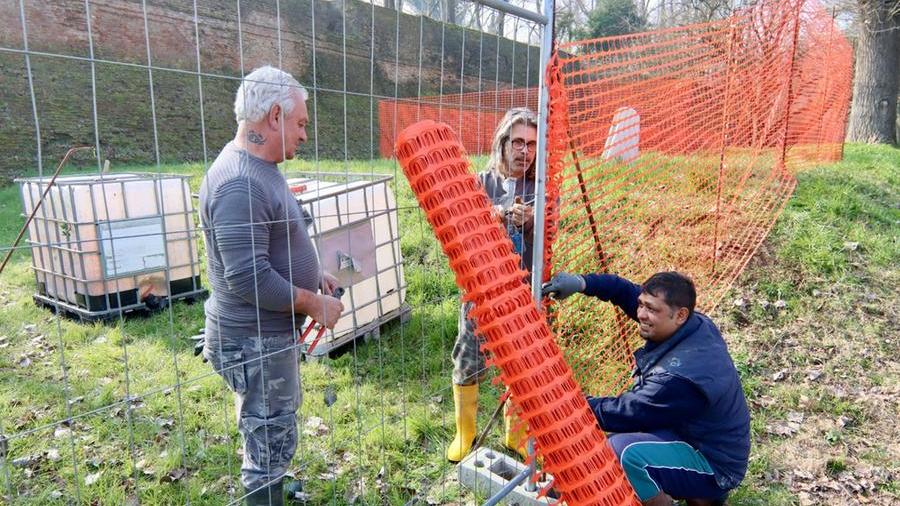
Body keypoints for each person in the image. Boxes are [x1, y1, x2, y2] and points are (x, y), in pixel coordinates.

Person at [199, 65, 344, 506]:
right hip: (253, 342)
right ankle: (266, 494)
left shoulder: (260, 167)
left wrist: (312, 274)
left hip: (265, 338)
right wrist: (311, 302)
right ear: (275, 117)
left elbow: (272, 242)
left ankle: (274, 485)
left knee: (273, 428)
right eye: (300, 123)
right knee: (267, 438)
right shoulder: (240, 183)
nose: (304, 135)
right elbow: (247, 277)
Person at [541, 271, 750, 506]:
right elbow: (623, 291)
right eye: (641, 305)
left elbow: (626, 412)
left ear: (680, 315)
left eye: (651, 309)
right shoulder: (692, 324)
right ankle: (697, 494)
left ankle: (697, 493)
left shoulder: (679, 377)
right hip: (694, 436)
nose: (642, 314)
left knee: (624, 452)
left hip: (715, 463)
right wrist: (581, 283)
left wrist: (569, 404)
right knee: (621, 443)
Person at [447, 108, 538, 463]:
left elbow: (553, 233)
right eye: (517, 142)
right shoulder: (481, 183)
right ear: (503, 143)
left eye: (531, 144)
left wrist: (533, 223)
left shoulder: (542, 187)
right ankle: (464, 433)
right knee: (468, 360)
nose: (524, 151)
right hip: (480, 294)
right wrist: (497, 215)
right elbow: (459, 228)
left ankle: (515, 436)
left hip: (524, 294)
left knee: (521, 367)